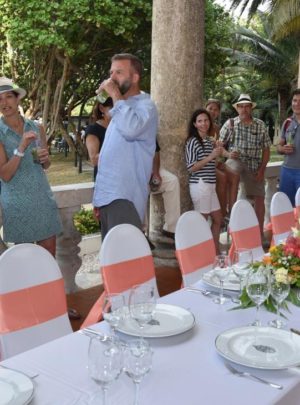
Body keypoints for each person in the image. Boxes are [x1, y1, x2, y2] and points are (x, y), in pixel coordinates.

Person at [93, 53, 158, 240]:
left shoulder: (146, 106)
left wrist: (114, 94)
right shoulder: (121, 106)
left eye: (119, 72)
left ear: (135, 77)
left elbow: (131, 129)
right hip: (109, 195)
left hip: (124, 196)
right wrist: (99, 198)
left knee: (126, 260)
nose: (112, 78)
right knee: (112, 260)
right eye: (111, 72)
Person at [0, 77, 62, 257]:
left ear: (17, 99)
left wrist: (45, 159)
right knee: (26, 258)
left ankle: (50, 286)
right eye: (0, 99)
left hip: (41, 197)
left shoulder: (36, 127)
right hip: (17, 202)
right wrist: (21, 148)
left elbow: (46, 165)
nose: (4, 103)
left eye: (8, 97)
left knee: (49, 253)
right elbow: (4, 175)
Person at [219, 94, 271, 234]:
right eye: (241, 106)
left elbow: (266, 149)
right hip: (236, 160)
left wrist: (262, 170)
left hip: (254, 165)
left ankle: (259, 234)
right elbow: (219, 146)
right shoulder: (230, 124)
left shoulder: (260, 125)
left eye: (247, 106)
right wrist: (228, 154)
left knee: (259, 198)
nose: (244, 109)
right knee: (231, 168)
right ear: (237, 109)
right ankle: (231, 211)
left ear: (251, 108)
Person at [185, 108, 223, 253]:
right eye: (199, 121)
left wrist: (218, 152)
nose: (203, 123)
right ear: (194, 124)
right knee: (201, 222)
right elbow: (191, 167)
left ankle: (215, 251)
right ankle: (198, 253)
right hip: (200, 185)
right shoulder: (192, 142)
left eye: (206, 120)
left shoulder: (208, 141)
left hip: (210, 185)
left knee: (218, 219)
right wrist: (211, 156)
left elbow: (213, 161)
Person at [206, 98, 239, 219]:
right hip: (206, 163)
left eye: (216, 110)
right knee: (223, 177)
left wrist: (229, 154)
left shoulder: (216, 128)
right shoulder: (202, 125)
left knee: (235, 176)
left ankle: (232, 212)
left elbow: (219, 148)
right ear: (205, 109)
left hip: (216, 162)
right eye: (210, 109)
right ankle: (221, 212)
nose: (213, 112)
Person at [148, 140, 181, 239]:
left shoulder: (150, 129)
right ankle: (142, 232)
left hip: (151, 169)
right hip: (135, 172)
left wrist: (156, 173)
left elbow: (156, 152)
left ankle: (171, 228)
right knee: (140, 190)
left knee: (172, 181)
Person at [277, 88, 300, 206]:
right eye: (295, 101)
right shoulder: (287, 122)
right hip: (286, 171)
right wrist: (282, 149)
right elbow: (278, 146)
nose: (297, 104)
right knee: (286, 208)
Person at [85, 97, 113, 180]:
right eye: (113, 107)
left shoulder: (121, 127)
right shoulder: (93, 129)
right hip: (105, 180)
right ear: (101, 108)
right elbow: (94, 159)